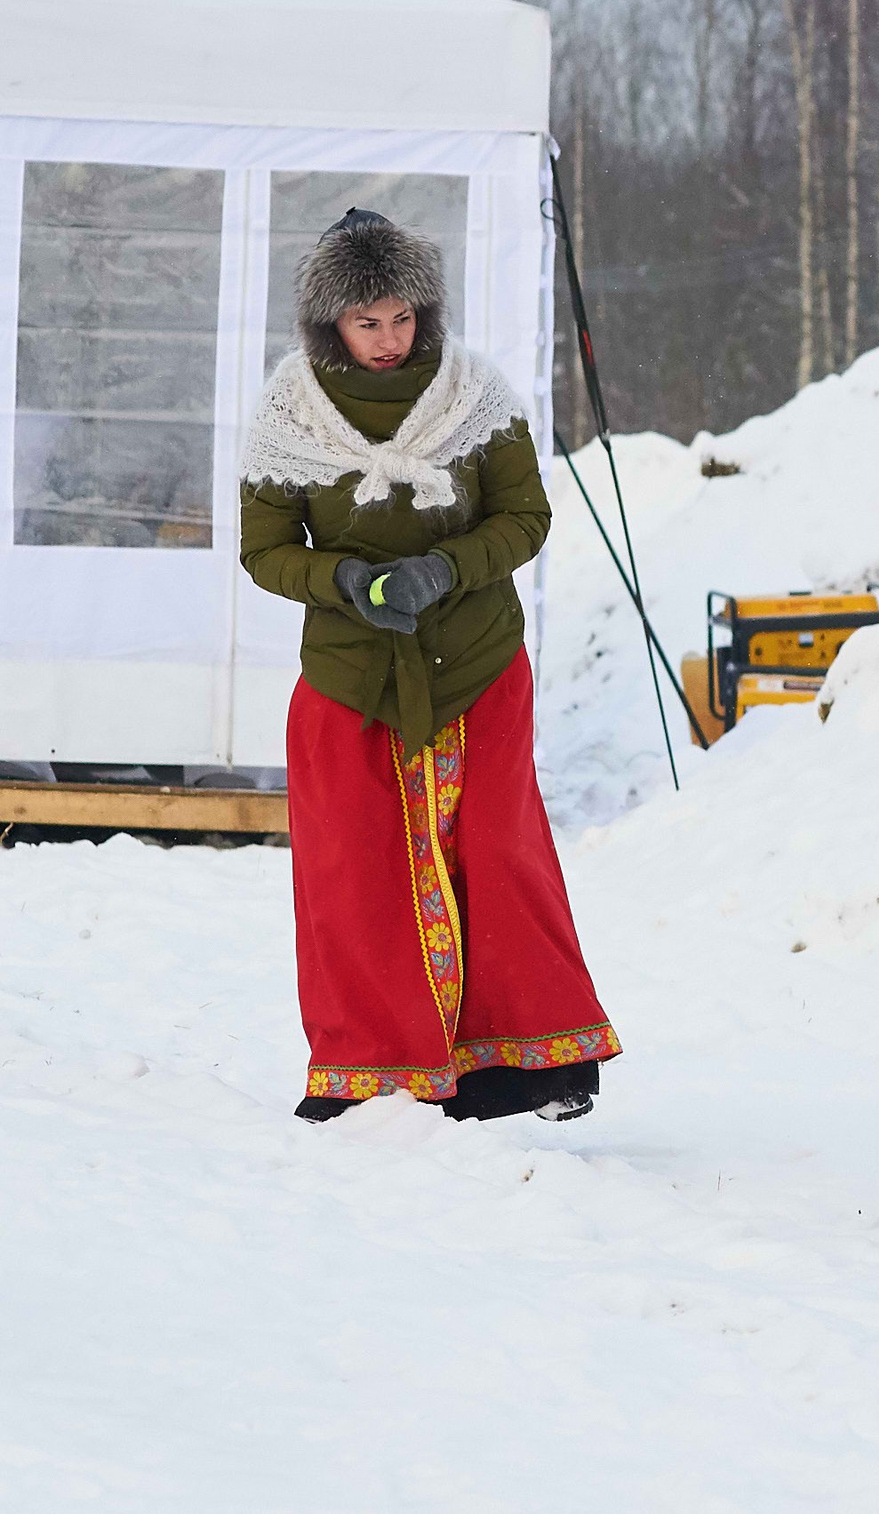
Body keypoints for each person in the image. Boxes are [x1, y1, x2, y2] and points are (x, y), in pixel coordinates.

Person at [240, 208, 618, 1123]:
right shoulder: (290, 409)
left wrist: (444, 567)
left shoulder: (477, 397)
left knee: (496, 850)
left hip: (475, 661)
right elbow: (262, 550)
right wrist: (347, 579)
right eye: (367, 321)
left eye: (403, 317)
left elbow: (525, 518)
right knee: (355, 873)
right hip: (349, 676)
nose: (388, 338)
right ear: (331, 322)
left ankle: (526, 1064)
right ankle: (373, 1065)